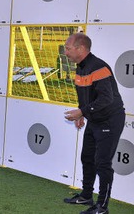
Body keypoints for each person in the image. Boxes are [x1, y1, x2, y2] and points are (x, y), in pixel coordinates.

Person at [63, 33, 125, 214]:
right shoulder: (80, 68)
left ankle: (102, 207)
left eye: (68, 48)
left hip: (109, 120)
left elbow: (106, 99)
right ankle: (86, 196)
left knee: (102, 163)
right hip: (94, 119)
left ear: (81, 49)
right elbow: (85, 95)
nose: (65, 52)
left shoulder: (98, 67)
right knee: (87, 157)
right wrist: (82, 113)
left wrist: (82, 112)